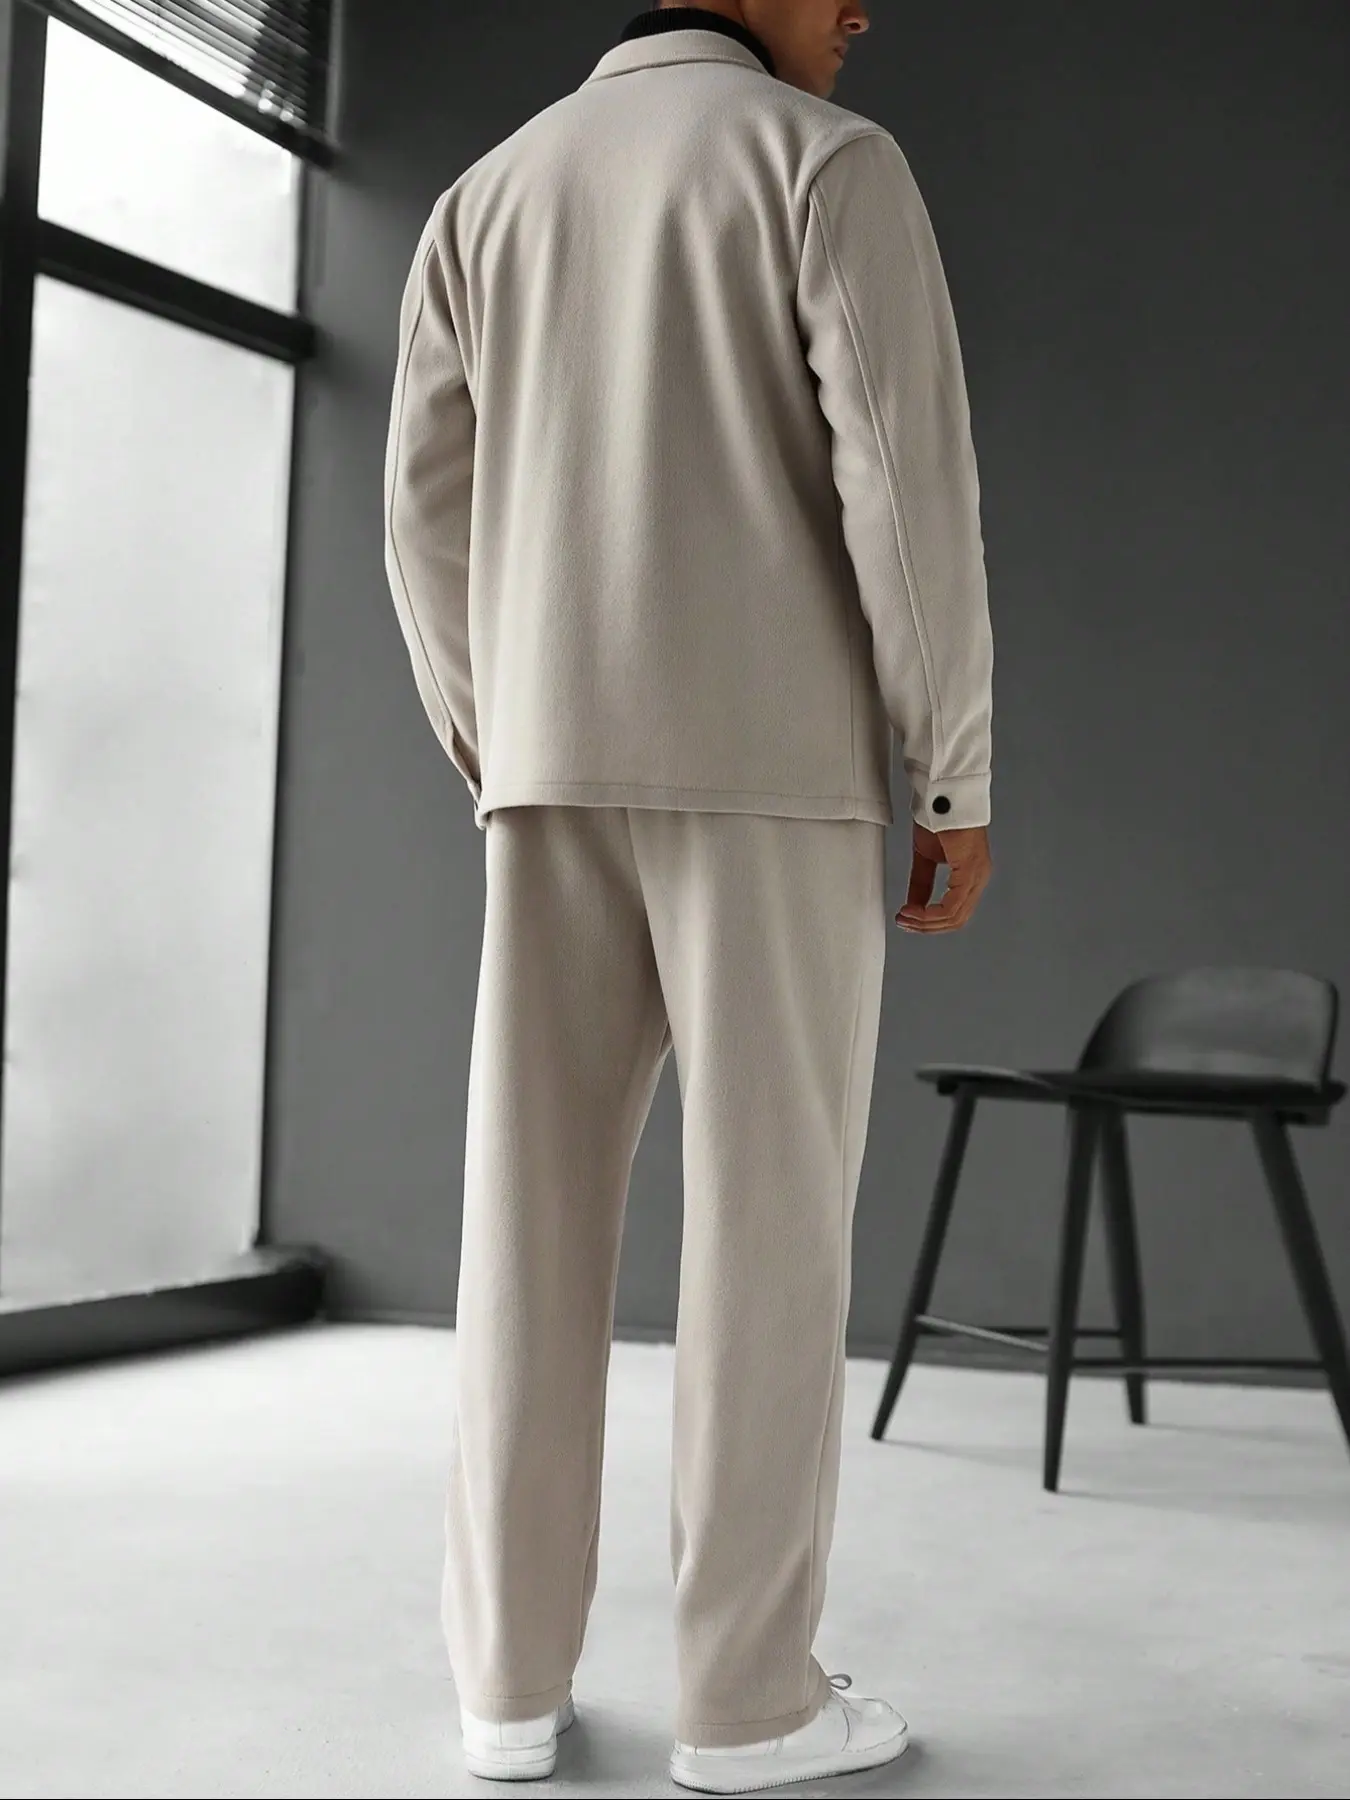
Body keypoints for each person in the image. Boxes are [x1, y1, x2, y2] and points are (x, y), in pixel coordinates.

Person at [382, 1, 995, 1790]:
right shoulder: (823, 164)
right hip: (773, 775)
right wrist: (948, 770)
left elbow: (422, 514)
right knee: (768, 1237)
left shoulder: (484, 197)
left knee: (527, 1228)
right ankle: (748, 1705)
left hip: (548, 768)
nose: (862, 5)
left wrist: (500, 739)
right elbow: (903, 486)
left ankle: (504, 1691)